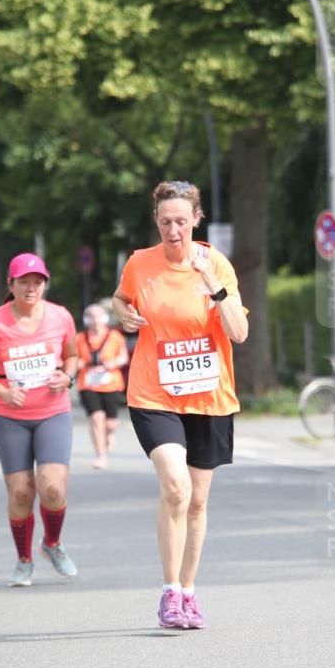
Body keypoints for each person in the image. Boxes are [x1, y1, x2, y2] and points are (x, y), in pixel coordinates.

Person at [113, 180, 248, 630]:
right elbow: (121, 297)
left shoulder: (217, 265)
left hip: (208, 397)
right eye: (166, 221)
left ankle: (189, 592)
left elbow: (239, 333)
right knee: (176, 487)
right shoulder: (139, 265)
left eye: (181, 221)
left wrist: (214, 286)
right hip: (154, 393)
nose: (174, 230)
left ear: (196, 220)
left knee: (198, 501)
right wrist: (123, 314)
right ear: (157, 221)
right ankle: (170, 593)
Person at [0, 253, 79, 587]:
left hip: (53, 413)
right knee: (20, 494)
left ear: (45, 283)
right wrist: (2, 393)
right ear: (11, 284)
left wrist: (68, 378)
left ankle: (53, 543)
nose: (31, 288)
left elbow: (73, 357)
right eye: (24, 282)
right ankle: (24, 559)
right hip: (10, 418)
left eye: (37, 281)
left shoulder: (60, 317)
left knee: (53, 486)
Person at [75, 304, 129, 469]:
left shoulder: (115, 336)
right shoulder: (80, 338)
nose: (95, 320)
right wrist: (82, 363)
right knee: (96, 418)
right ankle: (101, 455)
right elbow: (72, 361)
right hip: (88, 384)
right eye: (91, 316)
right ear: (86, 319)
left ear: (105, 318)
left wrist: (112, 363)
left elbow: (123, 357)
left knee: (110, 423)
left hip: (110, 383)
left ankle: (110, 431)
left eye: (98, 316)